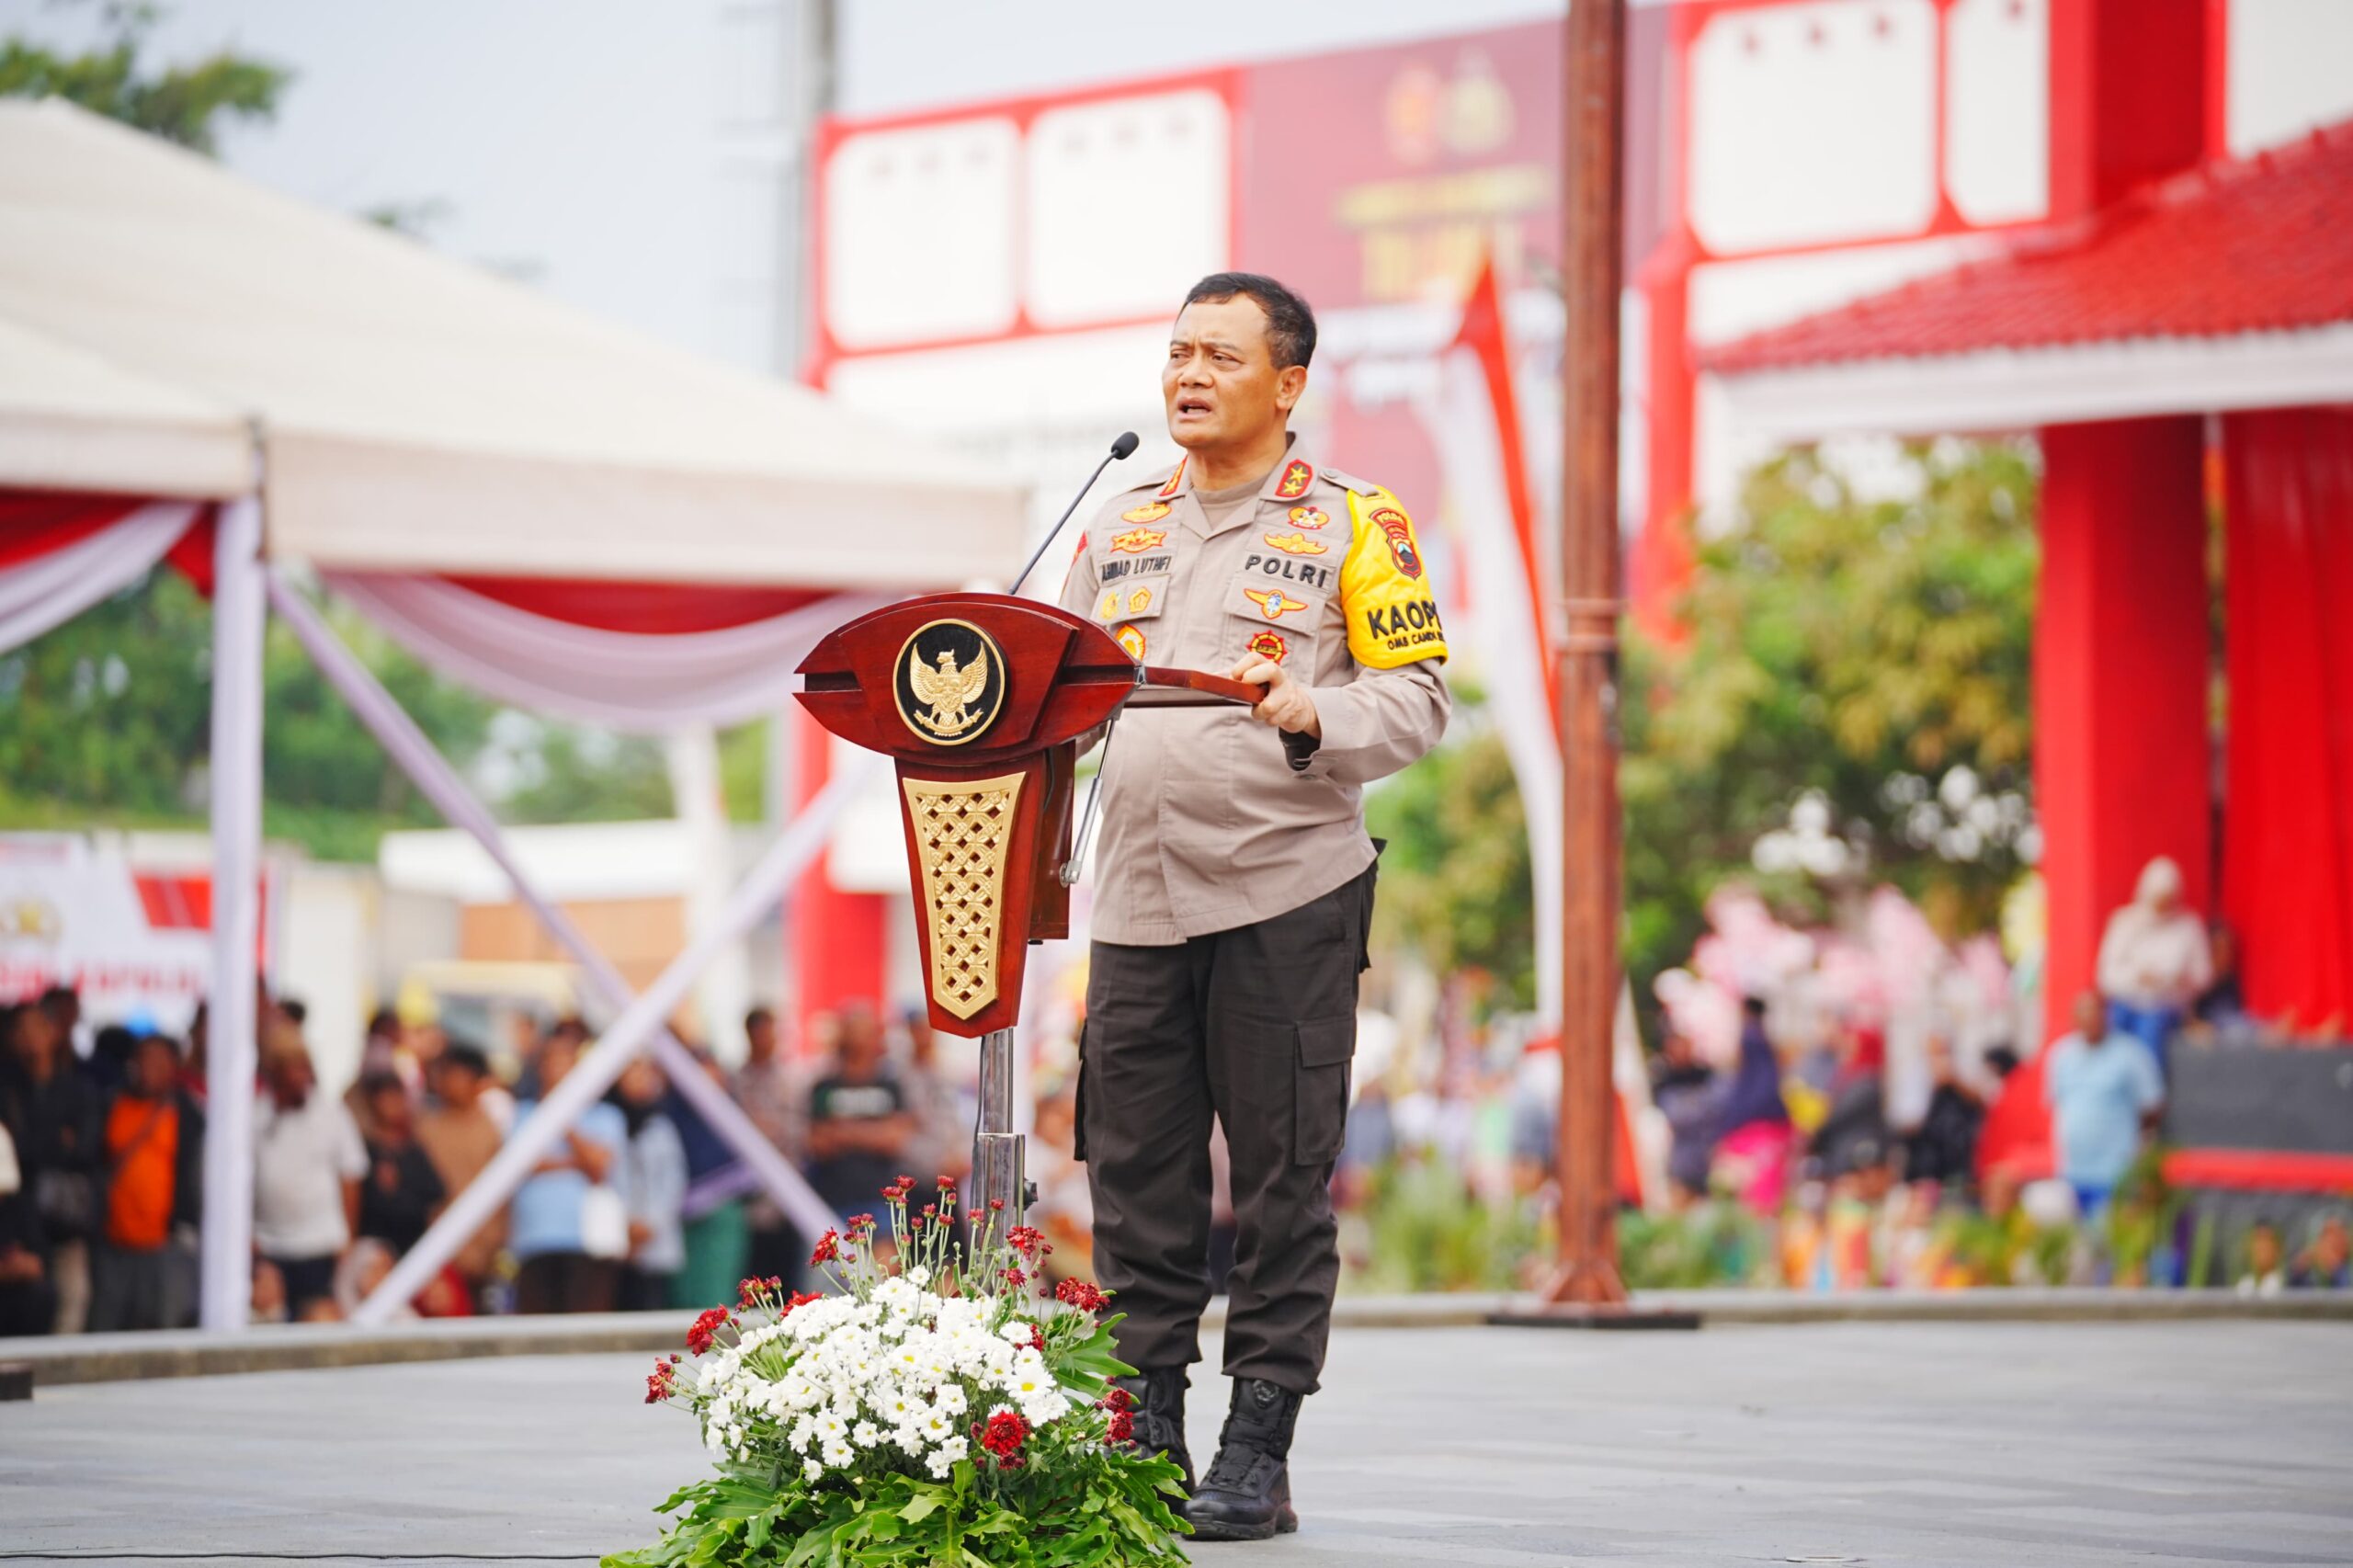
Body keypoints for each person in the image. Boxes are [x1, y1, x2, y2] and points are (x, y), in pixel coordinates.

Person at [1056, 272, 1450, 1540]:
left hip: (1286, 888)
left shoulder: (1354, 524)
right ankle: (1152, 1430)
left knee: (1282, 1182)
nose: (1189, 374)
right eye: (1177, 352)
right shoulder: (1113, 526)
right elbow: (1053, 708)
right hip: (1135, 897)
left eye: (1220, 356)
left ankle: (1258, 1446)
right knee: (1134, 1177)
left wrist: (1313, 712)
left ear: (1287, 384)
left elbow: (1419, 701)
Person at [506, 1029, 627, 1314]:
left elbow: (599, 1167)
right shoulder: (521, 1113)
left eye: (566, 1062)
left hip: (587, 1242)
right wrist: (576, 1163)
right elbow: (522, 1164)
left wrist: (562, 1119)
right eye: (552, 1061)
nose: (558, 1070)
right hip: (532, 1242)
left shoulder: (606, 1116)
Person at [89, 1035, 204, 1332]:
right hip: (114, 1243)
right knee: (108, 1327)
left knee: (164, 1327)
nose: (148, 1067)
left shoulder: (188, 1114)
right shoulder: (111, 1103)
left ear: (173, 1067)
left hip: (166, 1244)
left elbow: (196, 1175)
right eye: (143, 1058)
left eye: (159, 1060)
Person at [251, 1048, 369, 1320]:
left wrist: (347, 1236)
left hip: (321, 1244)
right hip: (269, 1246)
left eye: (303, 1069)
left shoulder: (330, 1113)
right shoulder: (256, 1113)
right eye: (290, 1070)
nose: (298, 1077)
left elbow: (351, 1173)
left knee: (320, 1318)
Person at [2042, 990, 2164, 1218]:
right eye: (2083, 1013)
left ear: (2106, 1015)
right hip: (2073, 1171)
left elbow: (2152, 1107)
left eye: (2095, 1012)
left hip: (2115, 1172)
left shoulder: (2131, 1054)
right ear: (2074, 1018)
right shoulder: (2061, 1056)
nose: (2090, 1019)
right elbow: (2058, 1107)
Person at [2096, 856, 2212, 1074]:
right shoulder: (2124, 922)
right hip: (2125, 1004)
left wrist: (2181, 980)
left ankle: (2148, 1099)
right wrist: (2137, 978)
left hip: (2167, 1007)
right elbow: (2105, 976)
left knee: (2150, 1031)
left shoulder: (2189, 926)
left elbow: (2203, 976)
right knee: (2111, 1041)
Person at [415, 1043, 506, 1310]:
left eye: (457, 1075)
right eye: (446, 1074)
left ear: (477, 1081)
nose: (449, 1083)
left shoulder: (491, 1129)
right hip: (437, 1252)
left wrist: (495, 1242)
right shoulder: (426, 1128)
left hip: (484, 1250)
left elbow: (501, 1196)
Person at [804, 1004, 913, 1221]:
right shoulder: (825, 1086)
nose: (859, 1039)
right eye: (853, 1031)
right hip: (832, 1196)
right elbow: (818, 1143)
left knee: (883, 1255)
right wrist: (873, 1133)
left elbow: (895, 1140)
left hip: (881, 1197)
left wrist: (843, 1131)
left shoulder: (889, 1085)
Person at [731, 1005, 806, 1285]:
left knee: (789, 1278)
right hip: (749, 1197)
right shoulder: (736, 1081)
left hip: (787, 1196)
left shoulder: (792, 1079)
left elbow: (800, 1129)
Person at [612, 1056, 688, 1312]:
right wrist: (625, 1225)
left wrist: (649, 1225)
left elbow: (673, 1181)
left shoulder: (662, 1127)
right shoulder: (610, 1122)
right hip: (618, 1243)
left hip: (655, 1240)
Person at [1713, 996, 1793, 1215]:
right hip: (1768, 1124)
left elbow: (1754, 1087)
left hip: (1753, 1125)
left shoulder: (1750, 1040)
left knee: (1752, 1200)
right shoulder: (1765, 1041)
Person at [356, 1074, 445, 1258]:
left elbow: (435, 1194)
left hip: (414, 1249)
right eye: (386, 1098)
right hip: (377, 1253)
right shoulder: (364, 1151)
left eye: (397, 1097)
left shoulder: (414, 1149)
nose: (393, 1104)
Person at [1904, 1037, 1984, 1190]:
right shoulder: (1915, 1075)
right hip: (1928, 1156)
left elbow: (1981, 1101)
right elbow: (1908, 1122)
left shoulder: (1963, 1070)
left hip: (1958, 1152)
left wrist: (1954, 1080)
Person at [1650, 1032, 1720, 1205]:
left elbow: (1715, 1107)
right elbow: (1674, 1115)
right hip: (1680, 1162)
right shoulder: (1664, 1079)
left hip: (1706, 1157)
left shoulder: (1705, 1074)